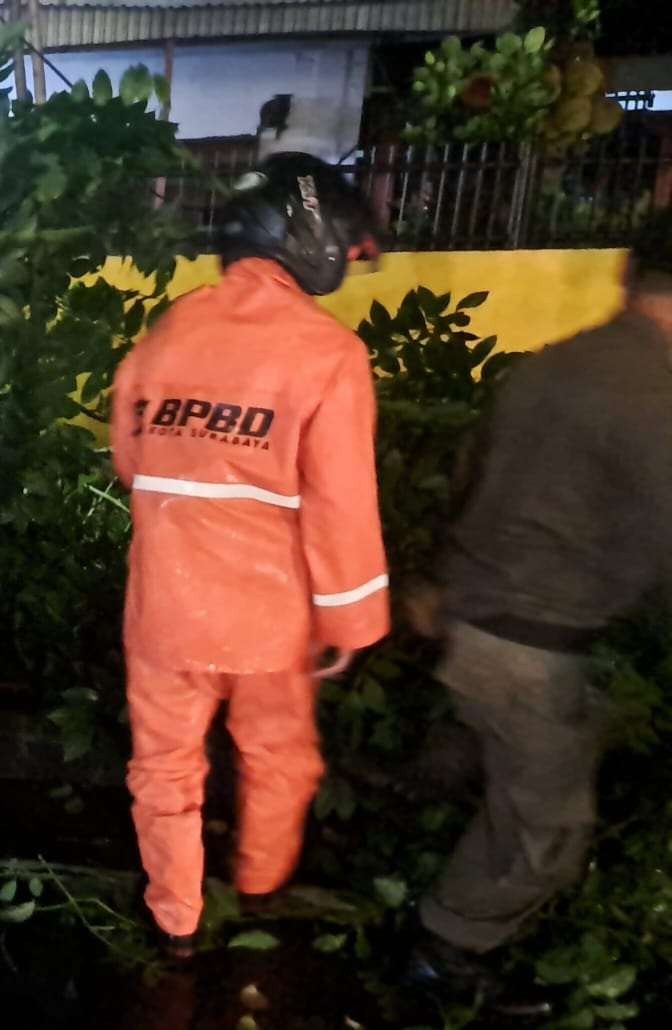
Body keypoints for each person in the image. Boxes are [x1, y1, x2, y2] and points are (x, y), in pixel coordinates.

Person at [109, 152, 390, 956]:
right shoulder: (328, 353)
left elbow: (131, 462)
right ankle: (261, 894)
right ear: (307, 238)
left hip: (163, 607)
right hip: (272, 619)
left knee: (163, 768)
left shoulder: (167, 334)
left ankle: (176, 923)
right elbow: (341, 503)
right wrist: (351, 617)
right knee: (278, 758)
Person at [404, 217, 672, 1015]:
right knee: (546, 838)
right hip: (528, 643)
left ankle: (419, 810)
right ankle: (439, 952)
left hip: (477, 620)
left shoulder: (557, 364)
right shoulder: (656, 394)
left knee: (506, 774)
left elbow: (468, 474)